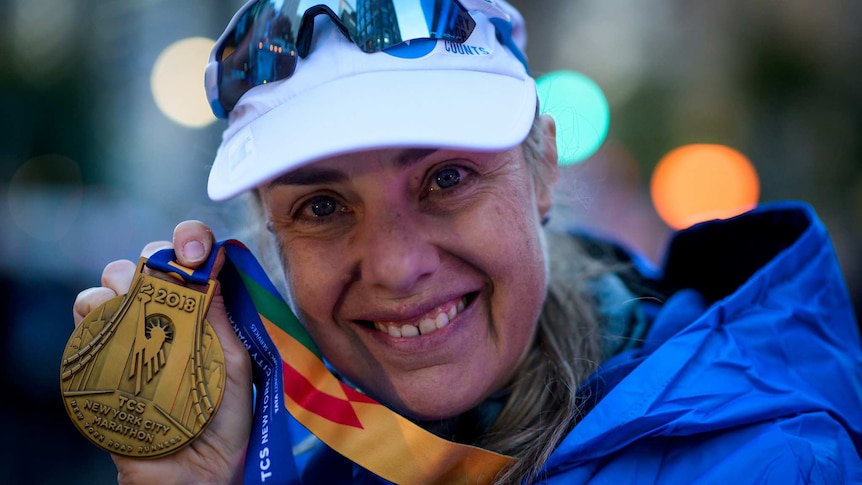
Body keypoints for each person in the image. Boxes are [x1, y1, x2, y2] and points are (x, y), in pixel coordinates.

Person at [72, 0, 862, 483]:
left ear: (542, 167)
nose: (395, 264)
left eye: (446, 179)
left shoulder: (769, 459)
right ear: (267, 240)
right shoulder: (306, 459)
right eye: (321, 205)